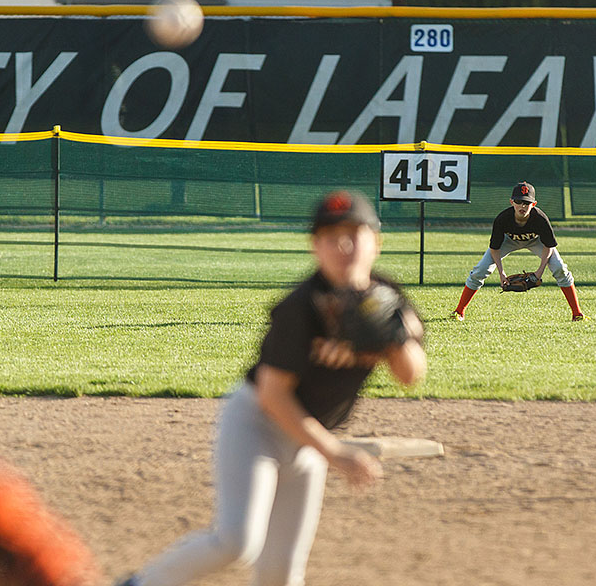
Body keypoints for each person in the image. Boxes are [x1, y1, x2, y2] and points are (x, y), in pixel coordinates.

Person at [115, 191, 426, 586]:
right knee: (236, 541)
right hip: (257, 425)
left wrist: (395, 337)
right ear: (316, 247)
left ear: (376, 242)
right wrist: (335, 453)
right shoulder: (302, 307)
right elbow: (273, 395)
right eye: (331, 236)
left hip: (309, 436)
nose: (344, 245)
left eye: (355, 233)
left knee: (281, 572)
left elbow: (411, 374)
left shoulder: (389, 299)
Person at [453, 181, 584, 321]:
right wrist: (501, 273)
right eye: (518, 201)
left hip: (536, 241)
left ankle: (577, 313)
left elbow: (549, 245)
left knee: (560, 269)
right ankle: (459, 311)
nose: (522, 206)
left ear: (534, 204)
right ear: (511, 202)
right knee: (480, 270)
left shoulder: (540, 218)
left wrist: (539, 272)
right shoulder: (502, 219)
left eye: (527, 203)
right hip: (508, 241)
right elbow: (495, 248)